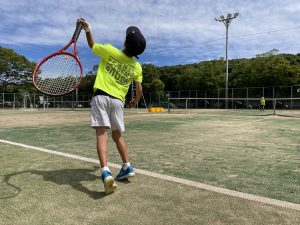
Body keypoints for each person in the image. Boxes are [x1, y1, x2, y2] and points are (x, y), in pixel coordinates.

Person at [80, 19, 146, 193]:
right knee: (117, 135)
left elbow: (92, 44)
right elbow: (139, 88)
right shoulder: (136, 66)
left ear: (124, 42)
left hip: (101, 97)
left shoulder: (109, 51)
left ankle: (106, 171)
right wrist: (135, 100)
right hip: (118, 102)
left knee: (102, 134)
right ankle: (127, 166)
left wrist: (88, 29)